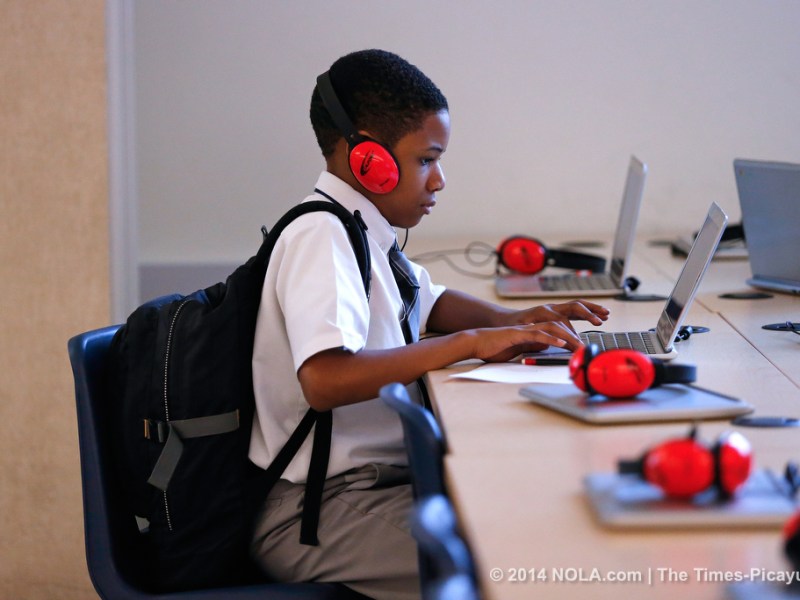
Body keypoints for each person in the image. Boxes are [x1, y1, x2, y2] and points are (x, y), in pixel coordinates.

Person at [248, 48, 609, 599]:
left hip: (375, 486)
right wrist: (468, 344)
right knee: (514, 567)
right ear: (369, 158)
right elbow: (324, 380)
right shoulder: (320, 236)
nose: (439, 180)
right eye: (426, 160)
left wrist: (512, 321)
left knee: (538, 521)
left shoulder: (361, 228)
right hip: (316, 509)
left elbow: (426, 299)